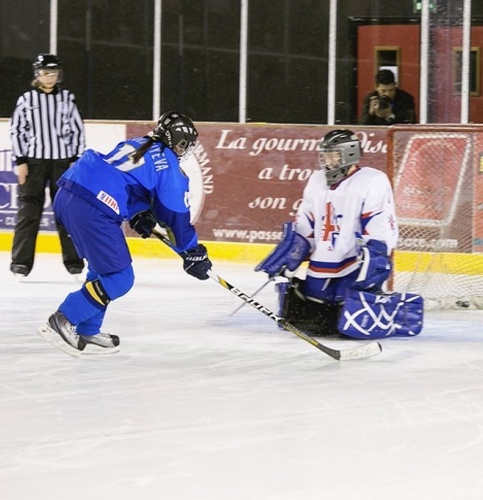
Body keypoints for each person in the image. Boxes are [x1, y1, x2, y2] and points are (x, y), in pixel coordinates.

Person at [37, 111, 213, 357]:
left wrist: (140, 212)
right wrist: (191, 250)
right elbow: (175, 215)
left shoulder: (139, 143)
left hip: (72, 192)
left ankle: (88, 330)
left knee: (103, 270)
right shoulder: (169, 165)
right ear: (179, 142)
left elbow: (124, 179)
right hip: (92, 206)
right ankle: (64, 318)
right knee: (120, 277)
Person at [256, 129, 423, 339]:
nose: (327, 160)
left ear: (350, 153)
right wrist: (291, 251)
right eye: (324, 155)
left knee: (348, 318)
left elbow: (379, 220)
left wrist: (377, 253)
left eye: (333, 154)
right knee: (315, 321)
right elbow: (306, 220)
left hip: (353, 259)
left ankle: (383, 313)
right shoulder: (316, 179)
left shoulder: (372, 180)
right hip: (322, 260)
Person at [9, 53, 86, 278]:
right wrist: (21, 161)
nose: (50, 77)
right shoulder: (26, 100)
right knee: (28, 212)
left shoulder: (67, 99)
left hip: (62, 163)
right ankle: (21, 263)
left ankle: (74, 261)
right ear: (37, 74)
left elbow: (77, 130)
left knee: (67, 211)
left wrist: (75, 160)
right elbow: (17, 130)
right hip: (34, 163)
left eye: (53, 73)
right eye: (45, 73)